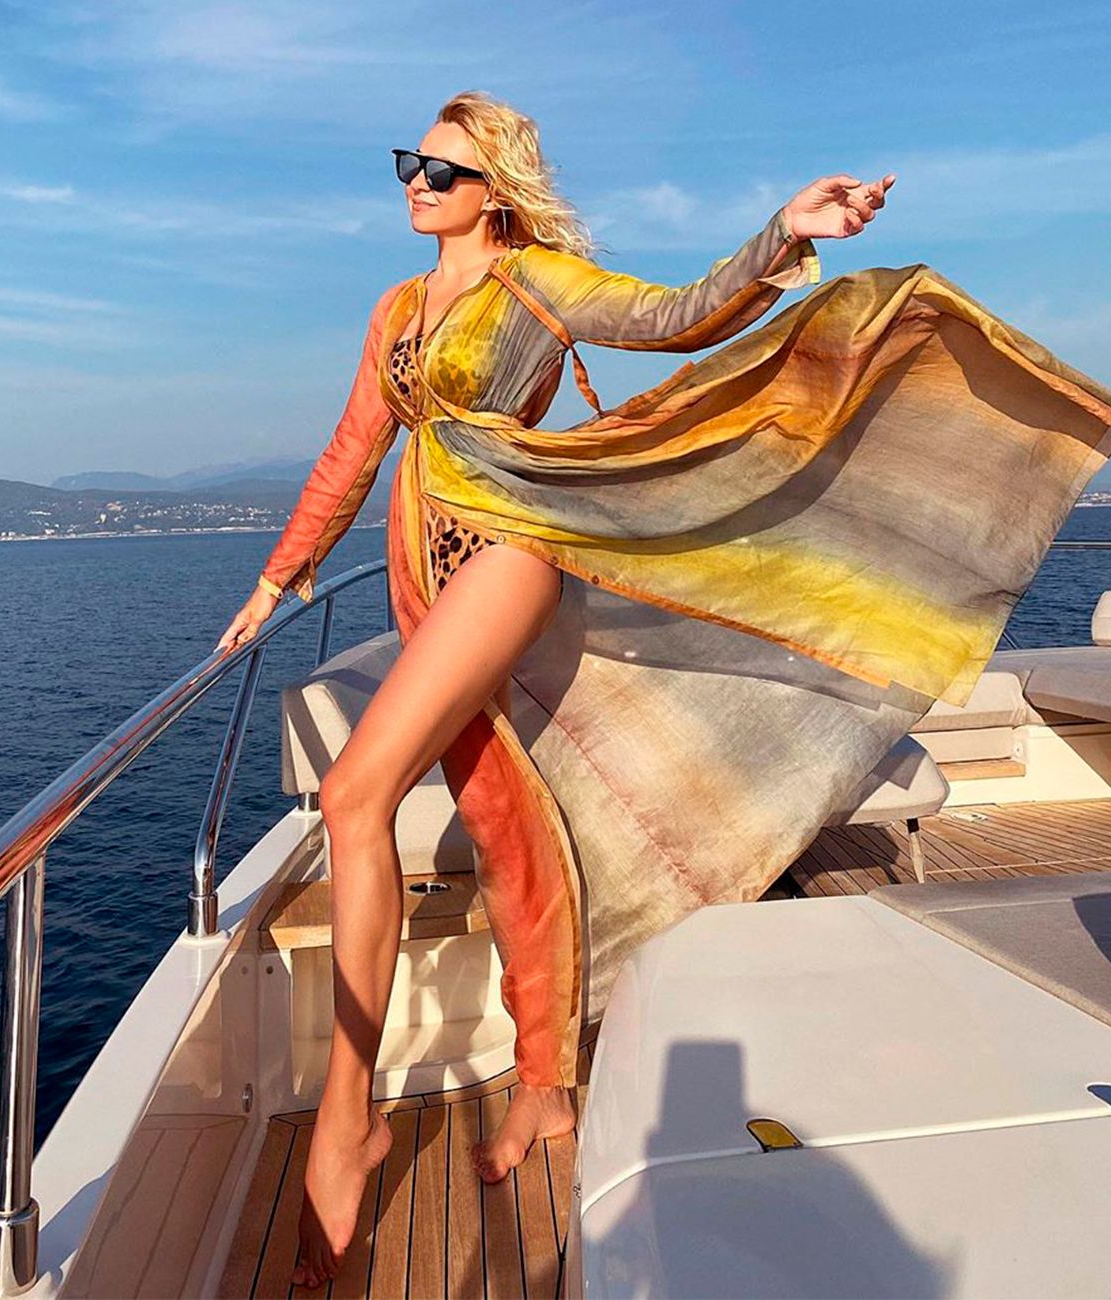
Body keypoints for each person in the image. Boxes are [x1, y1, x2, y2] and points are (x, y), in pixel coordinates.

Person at [215, 92, 1110, 1290]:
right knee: (503, 813)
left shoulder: (537, 282)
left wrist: (782, 234)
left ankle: (347, 1121)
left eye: (442, 170)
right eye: (409, 164)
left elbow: (676, 316)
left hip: (504, 548)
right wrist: (275, 578)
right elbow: (350, 449)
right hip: (415, 568)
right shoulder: (394, 309)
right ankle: (544, 1082)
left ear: (495, 190)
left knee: (352, 795)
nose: (417, 184)